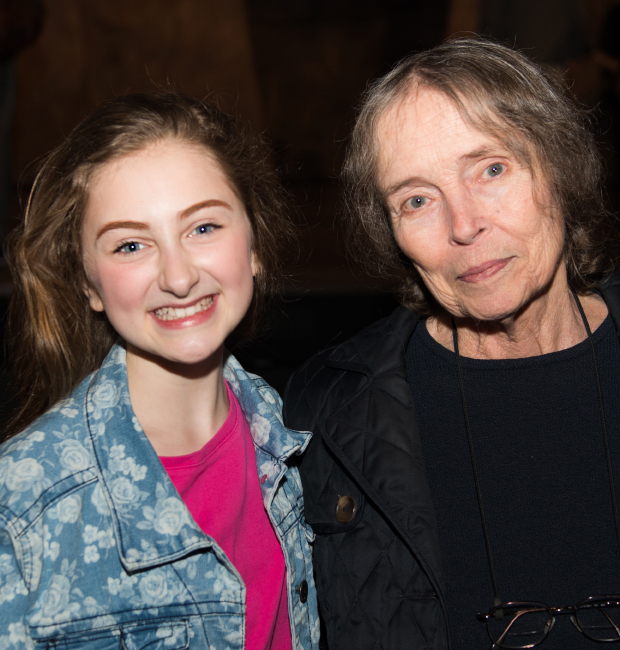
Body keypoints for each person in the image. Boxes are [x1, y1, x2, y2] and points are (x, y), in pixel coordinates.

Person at [284, 38, 620, 650]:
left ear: (559, 168)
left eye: (491, 169)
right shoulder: (324, 420)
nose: (463, 226)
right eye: (416, 200)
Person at [0, 92, 319, 649]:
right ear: (88, 284)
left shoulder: (298, 442)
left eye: (203, 228)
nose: (177, 276)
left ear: (254, 245)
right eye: (130, 244)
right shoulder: (23, 503)